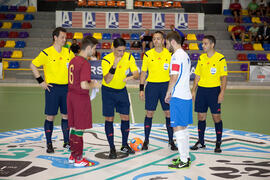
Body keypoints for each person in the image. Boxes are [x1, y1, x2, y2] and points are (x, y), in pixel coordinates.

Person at [30, 27, 75, 153]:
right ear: (55, 37)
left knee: (66, 116)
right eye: (62, 37)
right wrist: (41, 81)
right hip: (52, 89)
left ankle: (67, 142)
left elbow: (74, 68)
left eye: (65, 37)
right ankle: (49, 143)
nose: (64, 40)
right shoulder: (46, 53)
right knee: (50, 116)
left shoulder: (68, 52)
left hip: (66, 88)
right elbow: (33, 65)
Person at [101, 38, 139, 159]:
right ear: (112, 48)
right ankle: (112, 147)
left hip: (121, 91)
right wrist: (114, 65)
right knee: (109, 118)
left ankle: (124, 144)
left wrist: (131, 77)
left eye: (123, 50)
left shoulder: (128, 57)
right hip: (108, 91)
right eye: (118, 51)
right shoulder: (106, 59)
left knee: (125, 117)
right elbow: (107, 79)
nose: (121, 53)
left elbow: (136, 74)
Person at [139, 31, 177, 151]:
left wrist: (172, 89)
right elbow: (143, 73)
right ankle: (146, 140)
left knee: (168, 114)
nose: (156, 41)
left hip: (166, 86)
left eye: (158, 38)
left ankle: (171, 141)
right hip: (152, 87)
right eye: (154, 39)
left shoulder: (170, 54)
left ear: (163, 40)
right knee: (149, 113)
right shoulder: (147, 54)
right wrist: (141, 89)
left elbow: (173, 74)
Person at [190, 35, 228, 153]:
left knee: (216, 117)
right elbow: (197, 75)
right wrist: (193, 90)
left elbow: (224, 78)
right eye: (203, 43)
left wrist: (222, 92)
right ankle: (201, 141)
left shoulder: (220, 59)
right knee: (201, 116)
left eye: (205, 43)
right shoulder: (201, 58)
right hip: (202, 90)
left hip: (214, 91)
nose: (203, 45)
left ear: (212, 45)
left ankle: (218, 142)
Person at [67, 36, 99, 167]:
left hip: (70, 96)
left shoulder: (73, 60)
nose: (95, 51)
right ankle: (79, 159)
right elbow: (84, 85)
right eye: (95, 48)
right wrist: (95, 85)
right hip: (80, 98)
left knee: (74, 127)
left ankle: (73, 155)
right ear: (89, 48)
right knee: (80, 129)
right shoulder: (85, 62)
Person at [164, 31, 193, 169]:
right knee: (183, 128)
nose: (166, 45)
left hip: (179, 96)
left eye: (167, 43)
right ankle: (185, 157)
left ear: (173, 42)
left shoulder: (176, 56)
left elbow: (174, 76)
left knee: (177, 128)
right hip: (185, 96)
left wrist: (168, 92)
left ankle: (183, 160)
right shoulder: (185, 55)